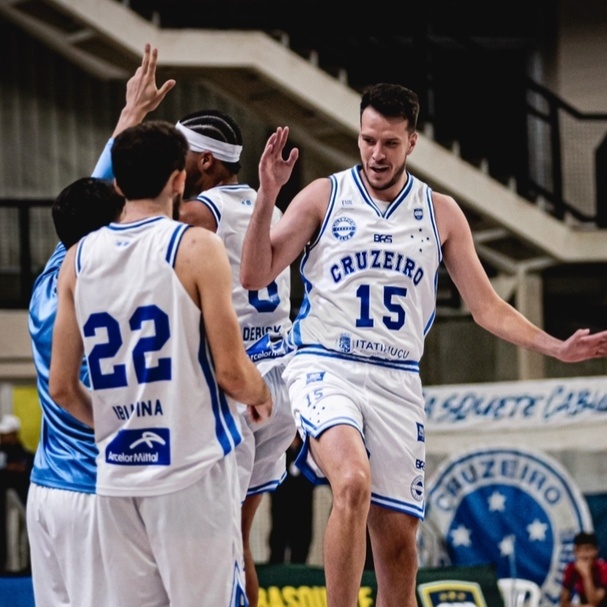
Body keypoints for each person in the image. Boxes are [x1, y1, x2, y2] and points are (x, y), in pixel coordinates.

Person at [240, 83, 607, 607]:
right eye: (367, 139)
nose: (376, 153)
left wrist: (556, 348)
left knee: (397, 545)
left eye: (389, 143)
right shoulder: (325, 195)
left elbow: (487, 307)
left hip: (397, 378)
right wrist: (268, 195)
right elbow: (255, 274)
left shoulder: (441, 213)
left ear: (412, 142)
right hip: (326, 365)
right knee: (350, 482)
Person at [49, 120, 272, 607]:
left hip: (117, 475)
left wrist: (114, 424)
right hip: (189, 471)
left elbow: (62, 387)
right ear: (177, 179)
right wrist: (263, 395)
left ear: (119, 184)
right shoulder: (194, 247)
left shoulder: (78, 258)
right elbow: (232, 372)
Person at [26, 44, 175, 607]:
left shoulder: (53, 272)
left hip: (46, 493)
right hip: (96, 491)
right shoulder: (106, 293)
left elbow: (92, 195)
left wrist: (128, 118)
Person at [176, 109, 297, 607]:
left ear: (205, 160)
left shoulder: (200, 211)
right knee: (237, 539)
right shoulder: (270, 205)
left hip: (240, 383)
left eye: (177, 151)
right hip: (283, 380)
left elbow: (132, 223)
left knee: (214, 542)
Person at [268, 433, 315, 564]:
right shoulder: (279, 451)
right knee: (278, 545)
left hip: (302, 511)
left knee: (301, 546)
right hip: (281, 510)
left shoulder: (308, 451)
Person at [0, 413, 34, 572]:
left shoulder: (25, 456)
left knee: (19, 533)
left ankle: (19, 565)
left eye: (5, 435)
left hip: (20, 500)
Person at [561, 531, 607, 607]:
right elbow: (563, 603)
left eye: (588, 550)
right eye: (581, 550)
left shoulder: (603, 569)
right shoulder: (571, 568)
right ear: (575, 552)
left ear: (596, 551)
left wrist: (586, 575)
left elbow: (594, 602)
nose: (585, 555)